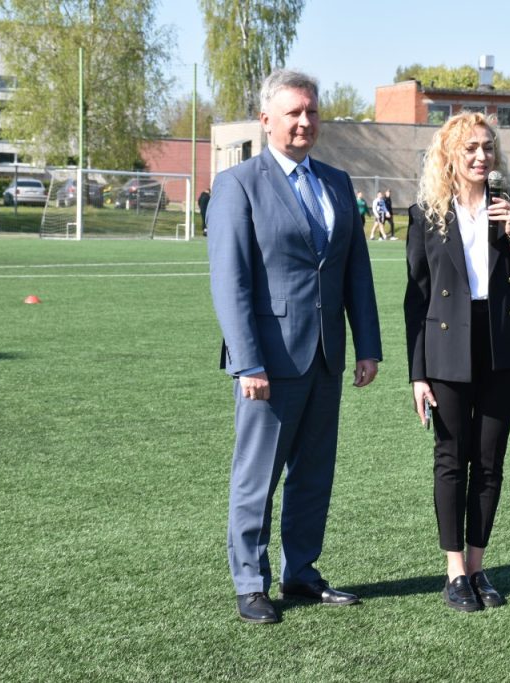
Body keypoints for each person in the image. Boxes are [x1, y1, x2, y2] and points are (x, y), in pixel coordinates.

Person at [206, 69, 382, 625]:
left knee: (313, 475)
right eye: (293, 113)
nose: (305, 121)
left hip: (326, 356)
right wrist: (248, 360)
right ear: (265, 121)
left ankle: (301, 572)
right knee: (257, 476)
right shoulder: (239, 185)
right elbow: (229, 281)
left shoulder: (336, 180)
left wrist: (367, 346)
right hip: (270, 363)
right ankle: (250, 582)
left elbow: (356, 271)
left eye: (311, 111)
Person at [404, 112, 510, 613]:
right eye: (470, 148)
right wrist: (417, 373)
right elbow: (416, 297)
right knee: (451, 458)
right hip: (446, 345)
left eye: (487, 147)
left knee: (489, 462)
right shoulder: (427, 210)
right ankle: (452, 573)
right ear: (450, 153)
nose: (480, 156)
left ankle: (477, 565)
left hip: (502, 345)